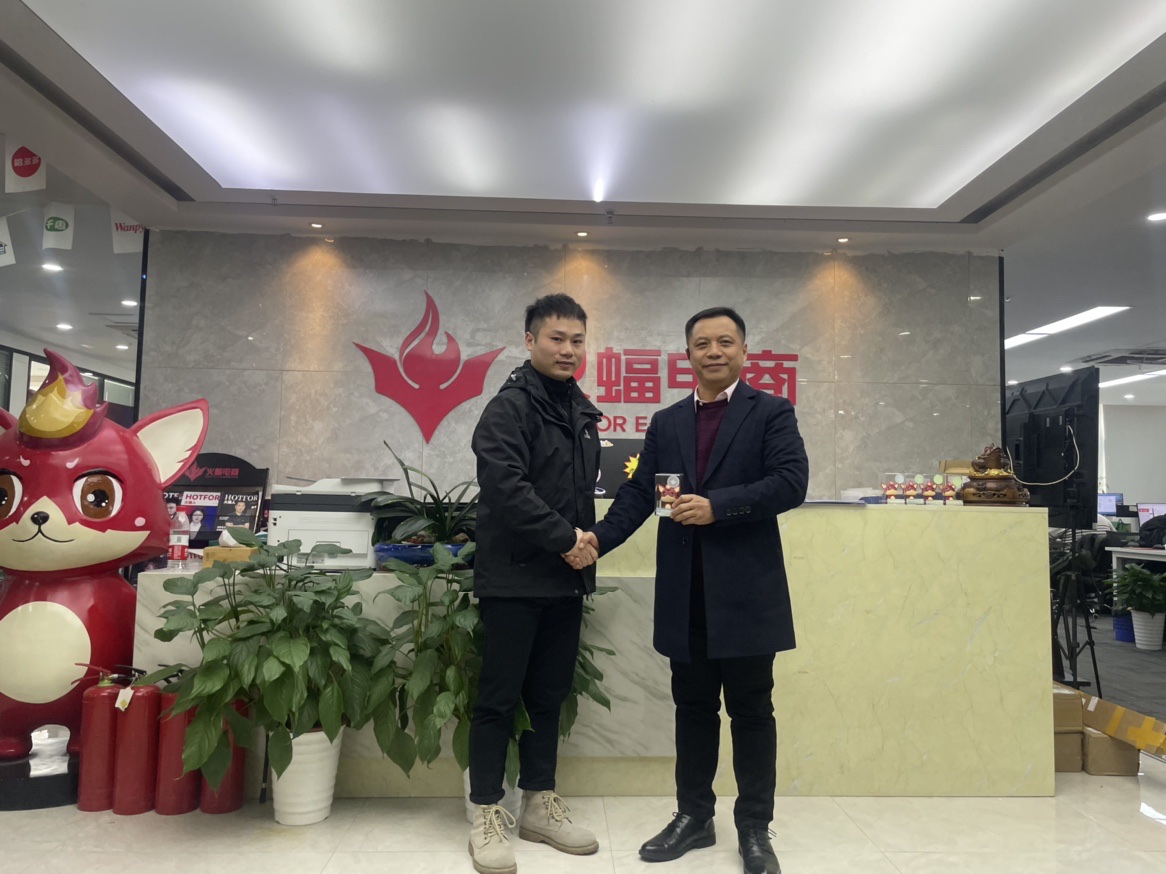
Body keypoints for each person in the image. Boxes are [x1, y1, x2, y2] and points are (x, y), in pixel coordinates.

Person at [583, 306, 808, 874]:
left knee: (752, 711)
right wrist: (596, 541)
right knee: (692, 708)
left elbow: (790, 483)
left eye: (725, 342)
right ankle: (694, 817)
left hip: (747, 593)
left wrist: (718, 507)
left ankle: (754, 827)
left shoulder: (771, 412)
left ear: (744, 351)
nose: (714, 351)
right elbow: (640, 494)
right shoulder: (668, 422)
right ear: (688, 355)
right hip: (687, 593)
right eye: (702, 344)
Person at [467, 293, 603, 874]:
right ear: (530, 341)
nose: (568, 349)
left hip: (564, 580)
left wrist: (584, 545)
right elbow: (507, 488)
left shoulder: (581, 412)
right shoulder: (509, 408)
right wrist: (565, 538)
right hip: (514, 579)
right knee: (498, 701)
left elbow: (578, 499)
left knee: (548, 698)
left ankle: (538, 805)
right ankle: (486, 811)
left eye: (577, 340)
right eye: (556, 338)